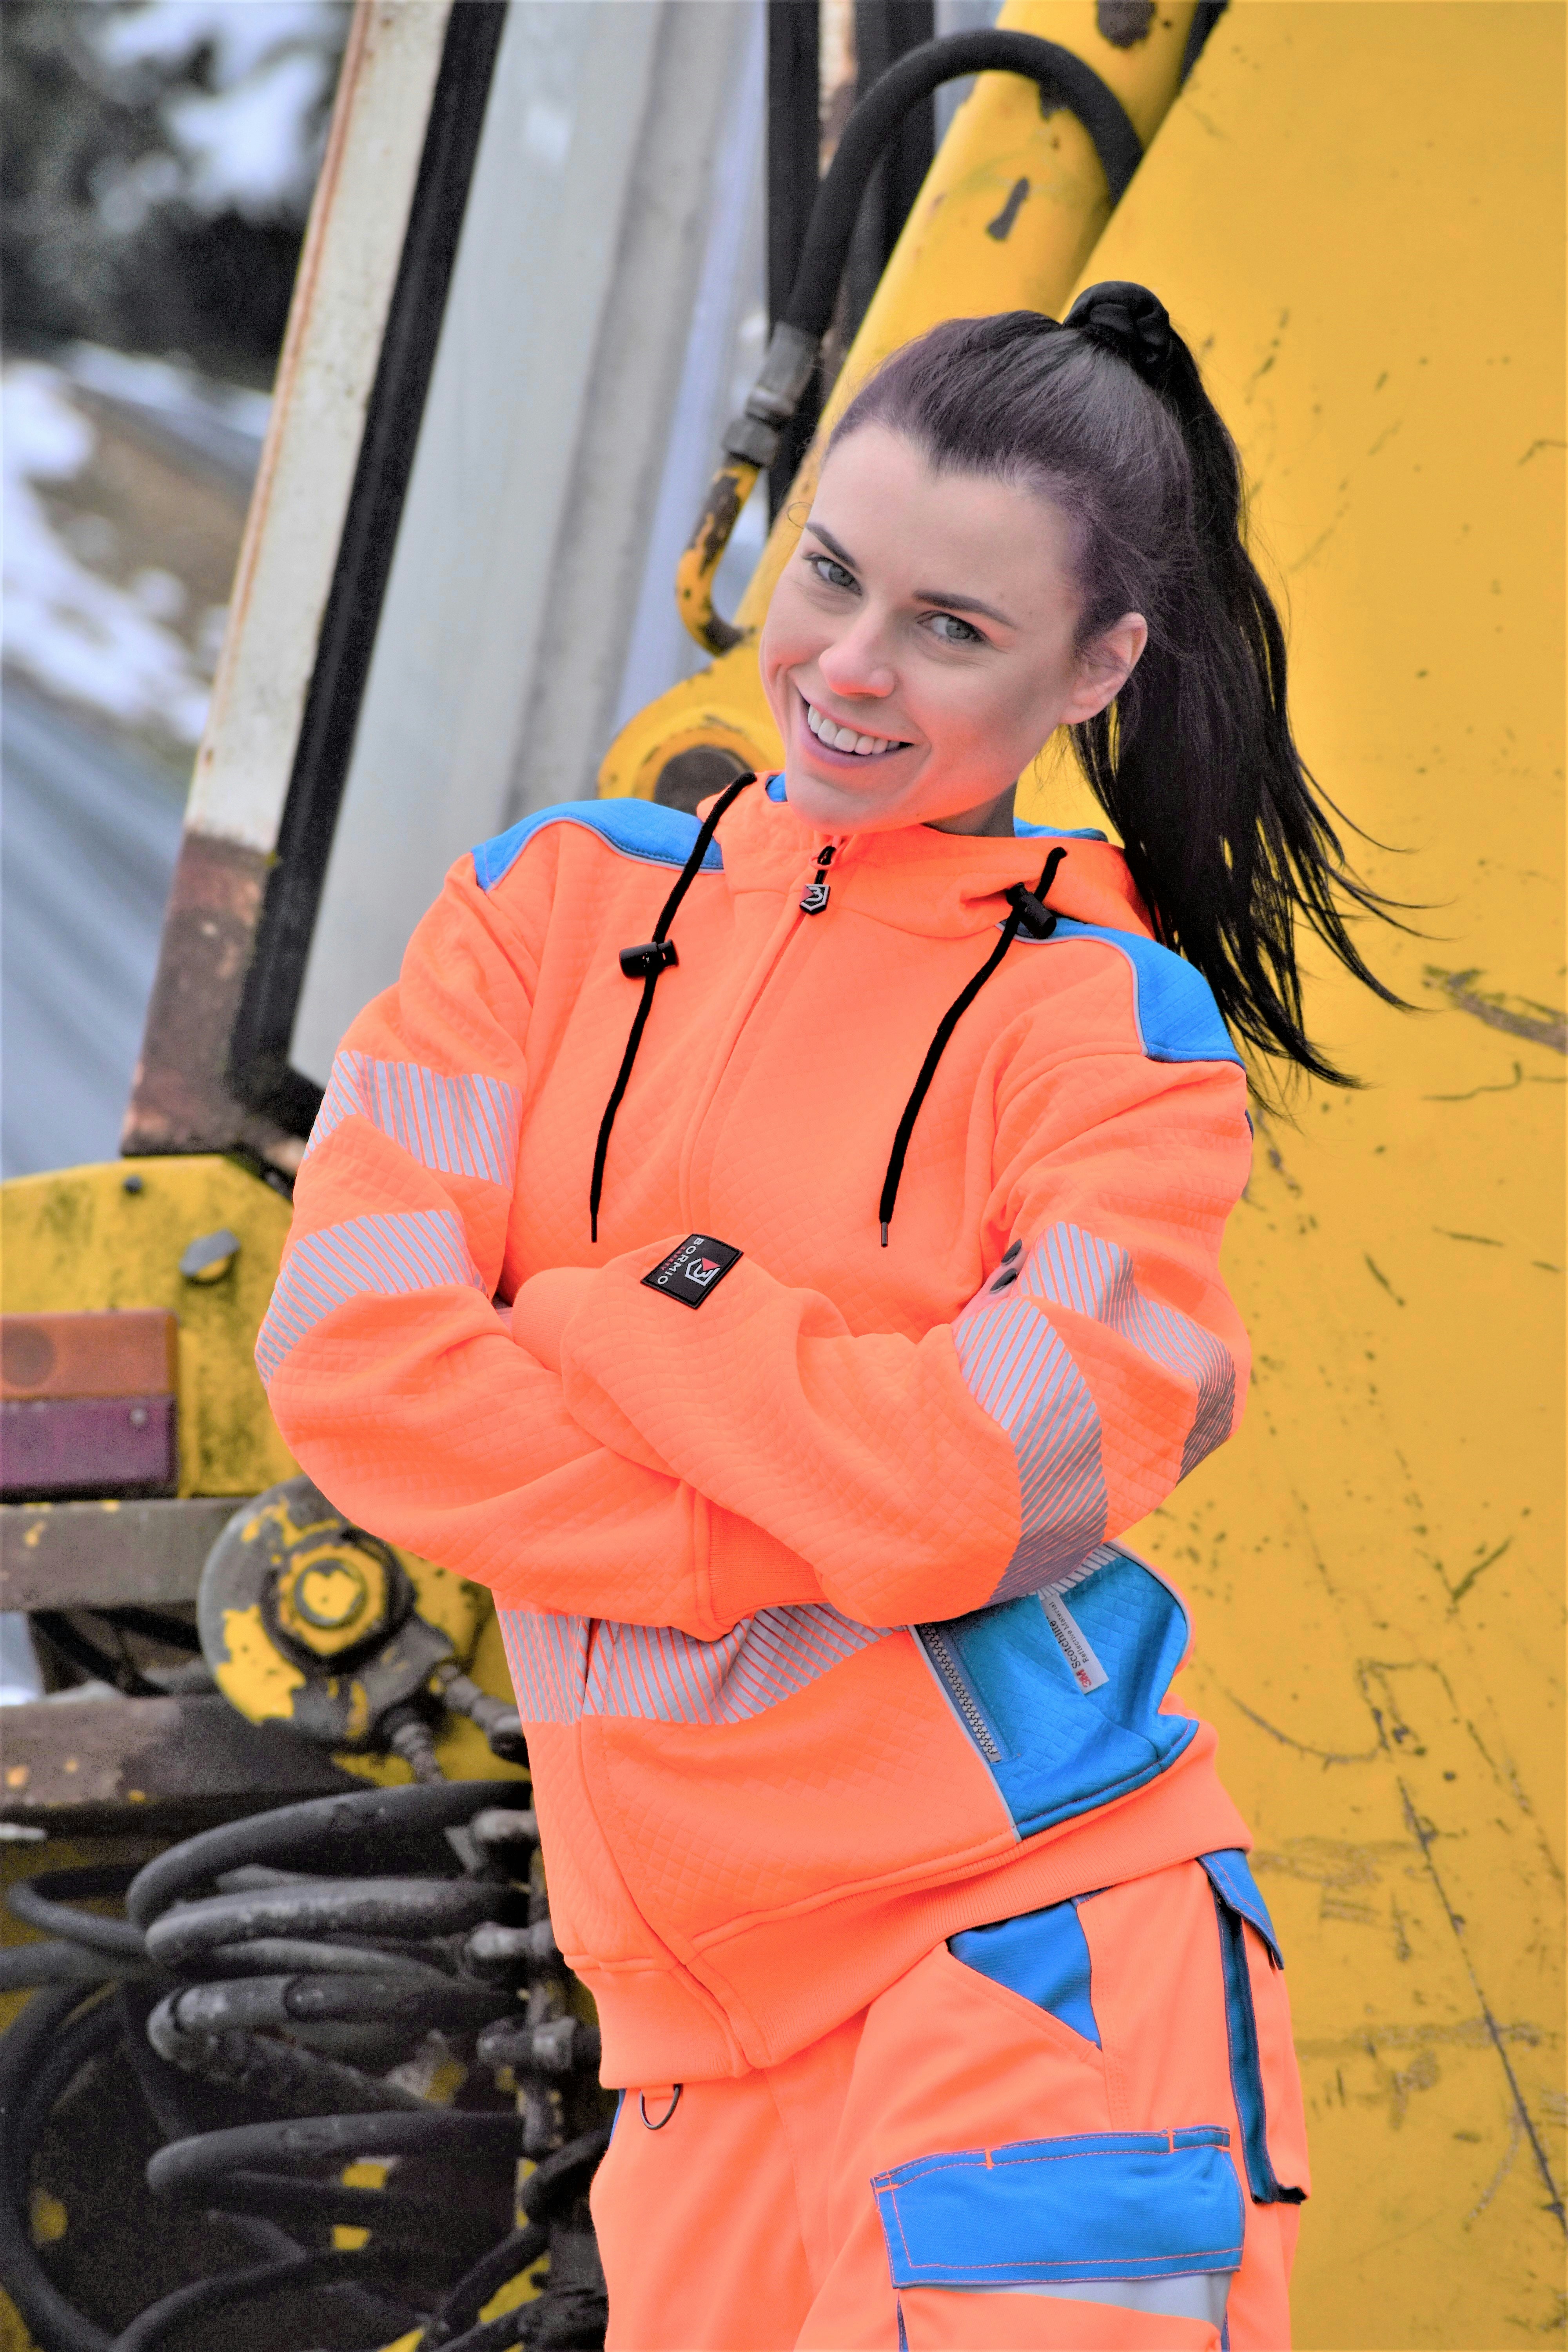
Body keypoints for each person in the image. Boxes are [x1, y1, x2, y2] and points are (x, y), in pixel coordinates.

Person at [260, 284, 1395, 2350]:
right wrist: (814, 1514)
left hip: (1032, 1964)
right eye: (834, 580)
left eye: (954, 630)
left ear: (1097, 665)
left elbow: (979, 1484)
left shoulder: (1113, 1035)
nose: (850, 672)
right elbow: (353, 1366)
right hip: (686, 2044)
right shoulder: (540, 916)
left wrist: (619, 1322)